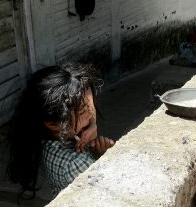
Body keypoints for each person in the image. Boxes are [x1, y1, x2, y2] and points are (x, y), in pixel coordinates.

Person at [7, 63, 115, 198]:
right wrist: (106, 156)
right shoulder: (76, 165)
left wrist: (93, 123)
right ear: (53, 124)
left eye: (89, 106)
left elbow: (87, 93)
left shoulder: (46, 136)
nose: (90, 114)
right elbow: (113, 190)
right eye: (82, 110)